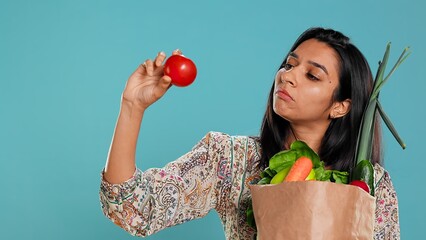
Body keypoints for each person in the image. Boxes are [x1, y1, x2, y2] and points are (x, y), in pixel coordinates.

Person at [99, 27, 400, 239]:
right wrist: (132, 107)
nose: (288, 76)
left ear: (340, 106)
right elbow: (133, 209)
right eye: (289, 64)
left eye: (311, 75)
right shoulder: (230, 160)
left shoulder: (371, 187)